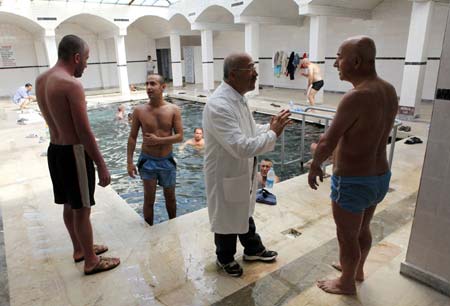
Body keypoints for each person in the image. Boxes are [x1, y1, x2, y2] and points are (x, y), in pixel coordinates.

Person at [307, 36, 398, 295]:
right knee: (363, 228)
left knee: (347, 237)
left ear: (356, 61)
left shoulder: (356, 96)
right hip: (380, 177)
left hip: (353, 181)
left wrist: (315, 165)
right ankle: (356, 270)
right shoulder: (388, 89)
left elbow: (328, 140)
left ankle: (346, 283)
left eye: (339, 57)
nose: (336, 63)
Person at [35, 34, 120, 275]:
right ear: (76, 57)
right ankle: (91, 261)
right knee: (82, 209)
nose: (86, 64)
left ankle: (79, 249)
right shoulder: (71, 84)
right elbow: (84, 131)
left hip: (55, 150)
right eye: (86, 59)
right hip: (73, 153)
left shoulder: (42, 80)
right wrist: (102, 166)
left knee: (69, 204)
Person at [203, 52, 291, 277]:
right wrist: (272, 134)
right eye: (250, 68)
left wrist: (269, 127)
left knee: (243, 210)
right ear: (233, 75)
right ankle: (224, 258)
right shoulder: (219, 105)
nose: (256, 73)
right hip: (225, 174)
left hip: (240, 172)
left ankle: (252, 249)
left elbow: (248, 131)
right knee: (226, 218)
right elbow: (241, 146)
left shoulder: (238, 97)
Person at [127, 74, 183, 226]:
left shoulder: (173, 110)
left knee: (170, 197)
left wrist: (160, 141)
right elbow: (132, 137)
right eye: (147, 84)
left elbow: (180, 137)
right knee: (149, 199)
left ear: (163, 87)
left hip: (167, 160)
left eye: (153, 84)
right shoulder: (139, 110)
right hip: (148, 160)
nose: (148, 87)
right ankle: (149, 229)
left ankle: (173, 225)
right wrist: (129, 162)